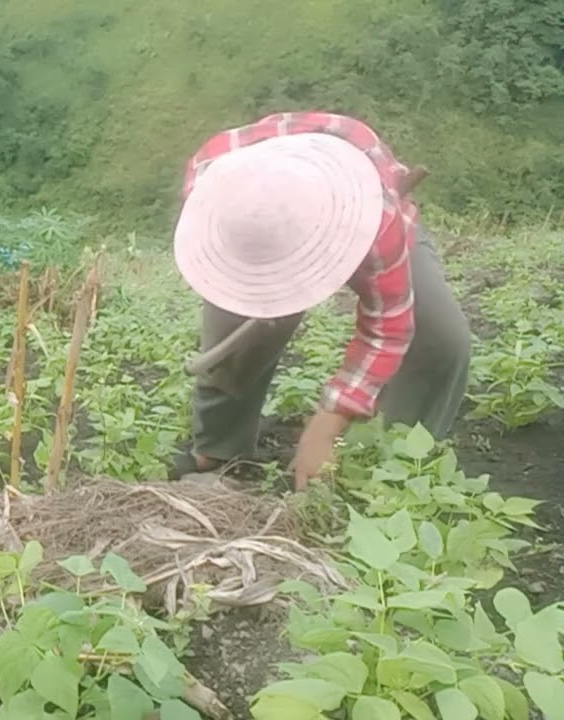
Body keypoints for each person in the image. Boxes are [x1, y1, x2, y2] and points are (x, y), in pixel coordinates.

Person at [168, 112, 471, 489]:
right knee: (237, 326)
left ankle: (398, 462)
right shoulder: (211, 179)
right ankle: (218, 449)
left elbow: (387, 328)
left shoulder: (373, 219)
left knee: (442, 339)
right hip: (261, 217)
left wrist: (329, 422)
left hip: (365, 215)